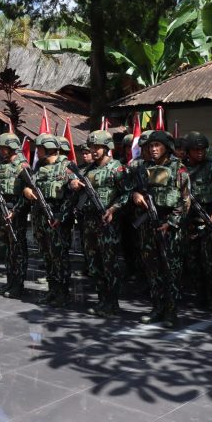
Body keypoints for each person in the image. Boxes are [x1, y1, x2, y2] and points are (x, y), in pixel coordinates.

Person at [131, 131, 190, 327]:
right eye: (150, 146)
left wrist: (171, 223)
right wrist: (136, 196)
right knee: (152, 269)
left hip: (169, 227)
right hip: (148, 225)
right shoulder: (143, 169)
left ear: (167, 147)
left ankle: (171, 312)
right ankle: (157, 307)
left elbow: (185, 201)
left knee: (171, 271)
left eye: (157, 145)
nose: (153, 149)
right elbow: (132, 189)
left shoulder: (179, 170)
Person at [69, 131, 127, 316]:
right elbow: (74, 187)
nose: (93, 151)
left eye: (97, 147)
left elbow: (127, 194)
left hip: (107, 221)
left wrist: (114, 209)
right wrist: (74, 185)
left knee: (109, 264)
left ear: (107, 147)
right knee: (94, 264)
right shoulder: (86, 170)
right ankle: (102, 300)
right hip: (88, 223)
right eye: (91, 147)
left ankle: (113, 303)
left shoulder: (117, 168)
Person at [16, 134, 73, 306]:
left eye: (39, 148)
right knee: (47, 257)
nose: (36, 152)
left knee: (59, 258)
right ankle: (52, 291)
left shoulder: (67, 167)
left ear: (48, 148)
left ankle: (63, 293)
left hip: (57, 220)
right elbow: (30, 185)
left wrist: (60, 217)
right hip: (41, 219)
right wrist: (26, 190)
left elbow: (72, 197)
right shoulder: (40, 168)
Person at [182, 132, 212, 311]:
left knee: (211, 264)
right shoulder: (181, 170)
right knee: (193, 263)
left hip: (209, 222)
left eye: (202, 149)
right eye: (195, 149)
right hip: (189, 223)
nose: (199, 152)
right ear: (188, 151)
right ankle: (200, 296)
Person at [0, 133, 28, 298]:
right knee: (7, 251)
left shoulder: (23, 166)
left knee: (17, 251)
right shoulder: (0, 167)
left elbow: (28, 195)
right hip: (1, 212)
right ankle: (10, 282)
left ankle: (18, 285)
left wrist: (16, 211)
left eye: (4, 147)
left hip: (15, 214)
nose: (1, 150)